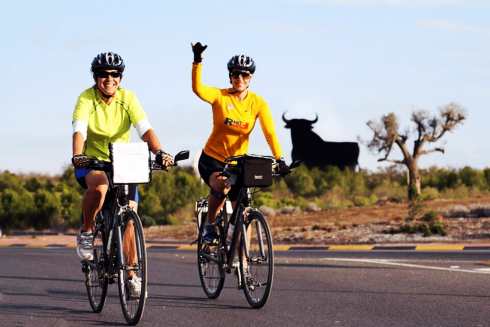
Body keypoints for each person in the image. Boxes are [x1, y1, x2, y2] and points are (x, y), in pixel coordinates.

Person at [71, 52, 174, 296]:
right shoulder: (86, 98)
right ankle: (86, 232)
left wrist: (159, 152)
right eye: (104, 75)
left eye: (114, 74)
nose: (109, 79)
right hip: (91, 161)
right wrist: (77, 154)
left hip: (122, 162)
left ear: (120, 76)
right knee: (100, 187)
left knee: (129, 219)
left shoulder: (128, 98)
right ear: (96, 77)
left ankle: (131, 277)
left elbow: (144, 129)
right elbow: (79, 130)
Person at [191, 42, 290, 250]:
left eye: (245, 75)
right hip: (212, 158)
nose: (240, 79)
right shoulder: (220, 96)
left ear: (251, 77)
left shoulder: (258, 103)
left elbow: (270, 133)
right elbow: (198, 89)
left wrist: (280, 159)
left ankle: (242, 264)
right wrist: (197, 61)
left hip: (237, 162)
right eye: (236, 75)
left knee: (243, 211)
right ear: (230, 76)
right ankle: (209, 224)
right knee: (222, 185)